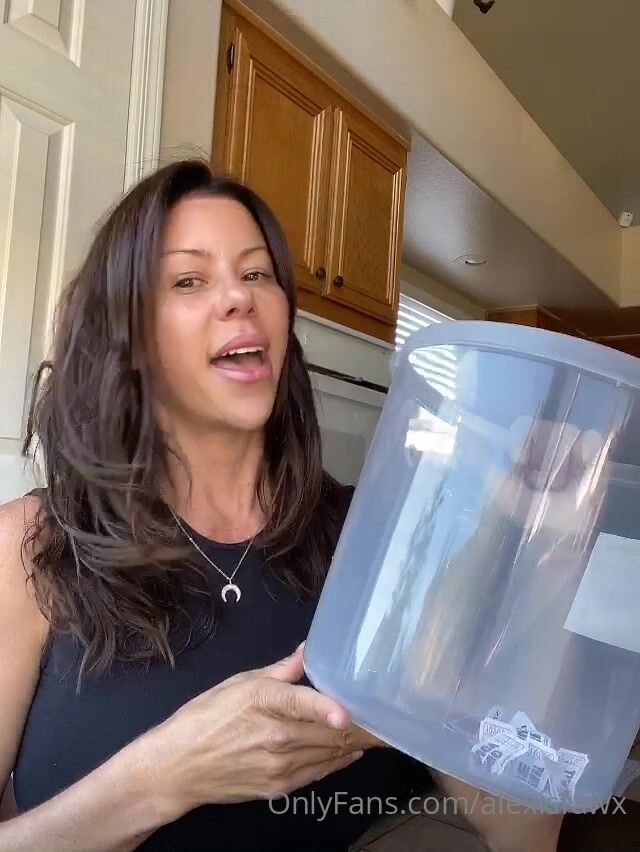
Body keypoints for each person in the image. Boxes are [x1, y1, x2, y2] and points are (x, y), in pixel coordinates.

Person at [0, 160, 563, 851]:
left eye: (258, 273)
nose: (239, 296)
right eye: (188, 280)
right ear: (130, 337)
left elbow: (521, 830)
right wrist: (166, 777)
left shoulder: (373, 540)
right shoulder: (27, 550)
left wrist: (541, 543)